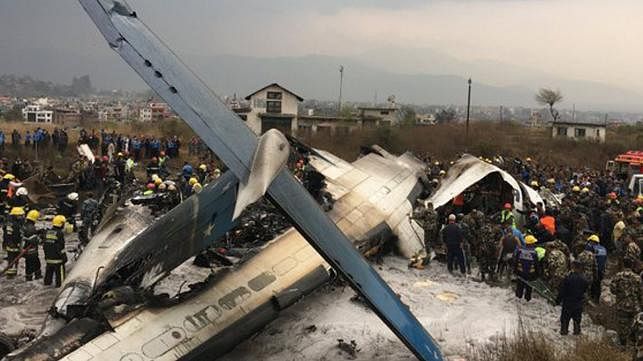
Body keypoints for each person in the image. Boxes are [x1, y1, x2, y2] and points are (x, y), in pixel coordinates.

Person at [610, 258, 641, 346]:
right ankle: (633, 345)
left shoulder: (618, 276)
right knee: (635, 325)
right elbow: (641, 293)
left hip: (621, 306)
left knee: (622, 327)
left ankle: (623, 346)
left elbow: (613, 290)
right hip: (635, 306)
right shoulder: (637, 278)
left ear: (623, 265)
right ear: (632, 265)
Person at [556, 260, 589, 335]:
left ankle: (564, 332)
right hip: (578, 303)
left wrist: (558, 300)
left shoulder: (568, 278)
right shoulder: (584, 279)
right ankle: (577, 333)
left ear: (573, 267)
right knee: (577, 320)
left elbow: (562, 291)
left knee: (565, 320)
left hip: (567, 303)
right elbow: (585, 291)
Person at [514, 235, 541, 301]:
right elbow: (536, 264)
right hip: (530, 275)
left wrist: (515, 271)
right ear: (531, 243)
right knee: (528, 290)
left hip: (520, 273)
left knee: (519, 289)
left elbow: (516, 262)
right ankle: (527, 300)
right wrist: (538, 274)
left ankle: (518, 298)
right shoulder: (534, 252)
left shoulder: (520, 250)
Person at [44, 215, 67, 287]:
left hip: (49, 259)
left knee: (48, 276)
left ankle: (47, 284)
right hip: (58, 260)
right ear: (61, 224)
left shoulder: (48, 232)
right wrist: (64, 257)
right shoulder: (60, 233)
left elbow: (45, 245)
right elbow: (61, 247)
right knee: (61, 282)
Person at [3, 207, 25, 278]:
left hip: (9, 243)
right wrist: (19, 244)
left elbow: (5, 233)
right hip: (14, 244)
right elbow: (17, 235)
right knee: (14, 259)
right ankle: (11, 274)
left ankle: (11, 273)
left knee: (11, 259)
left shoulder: (9, 223)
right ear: (15, 215)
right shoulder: (16, 225)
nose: (21, 217)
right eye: (20, 215)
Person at [584, 234, 607, 303]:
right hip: (602, 269)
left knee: (592, 283)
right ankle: (597, 298)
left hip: (593, 269)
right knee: (598, 283)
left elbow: (586, 257)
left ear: (591, 241)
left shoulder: (590, 247)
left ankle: (591, 297)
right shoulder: (603, 248)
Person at [22, 209, 42, 281]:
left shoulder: (25, 225)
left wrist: (37, 232)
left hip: (26, 249)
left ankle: (29, 277)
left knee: (28, 264)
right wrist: (40, 238)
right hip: (31, 250)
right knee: (36, 263)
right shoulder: (31, 228)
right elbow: (34, 240)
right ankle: (37, 275)